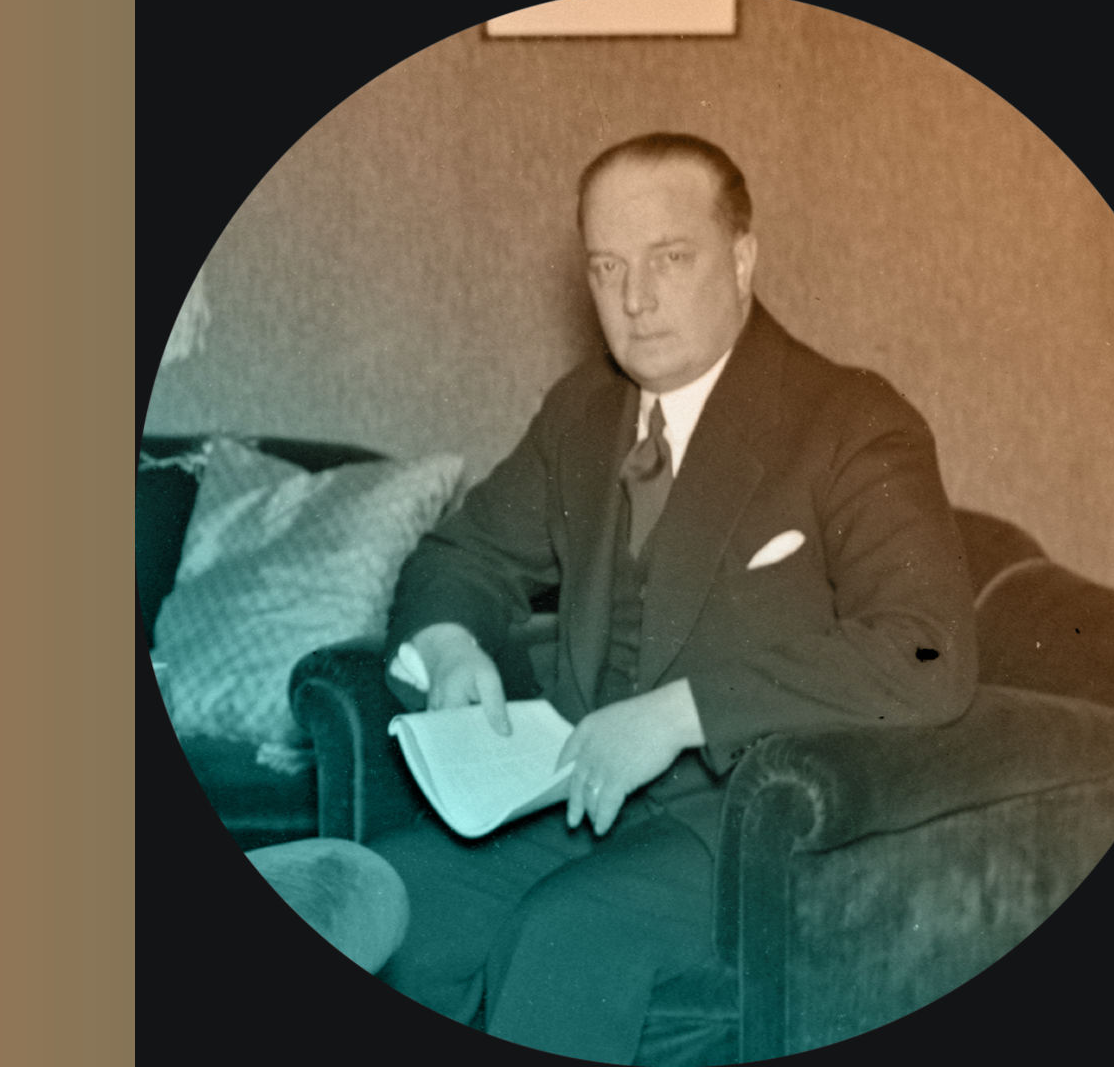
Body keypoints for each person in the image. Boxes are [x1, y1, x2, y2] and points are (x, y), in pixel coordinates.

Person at [369, 132, 977, 1064]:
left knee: (565, 937)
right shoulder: (581, 412)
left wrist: (679, 714)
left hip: (743, 823)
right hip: (573, 791)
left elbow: (925, 650)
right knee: (387, 898)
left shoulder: (852, 420)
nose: (635, 300)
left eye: (671, 258)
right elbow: (461, 554)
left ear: (743, 259)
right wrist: (451, 645)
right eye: (607, 267)